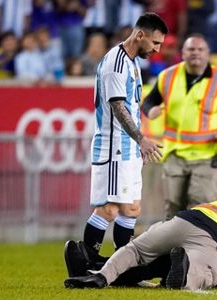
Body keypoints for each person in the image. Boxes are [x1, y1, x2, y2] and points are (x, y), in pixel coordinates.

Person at [64, 12, 168, 275]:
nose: (157, 49)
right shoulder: (116, 63)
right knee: (109, 209)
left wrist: (138, 143)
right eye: (155, 43)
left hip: (129, 146)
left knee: (132, 208)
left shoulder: (133, 63)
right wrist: (141, 139)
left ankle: (124, 270)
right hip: (114, 146)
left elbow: (131, 108)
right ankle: (84, 264)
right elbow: (117, 106)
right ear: (140, 35)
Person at [63, 170, 217, 290]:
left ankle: (98, 274)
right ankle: (184, 269)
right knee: (208, 275)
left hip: (184, 219)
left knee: (136, 252)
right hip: (211, 239)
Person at [141, 33, 217, 219]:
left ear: (208, 54)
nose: (196, 53)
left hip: (206, 155)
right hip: (175, 153)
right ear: (182, 53)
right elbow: (148, 101)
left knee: (199, 207)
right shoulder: (167, 76)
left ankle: (192, 248)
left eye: (200, 49)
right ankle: (173, 248)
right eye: (191, 49)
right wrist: (150, 111)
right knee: (173, 207)